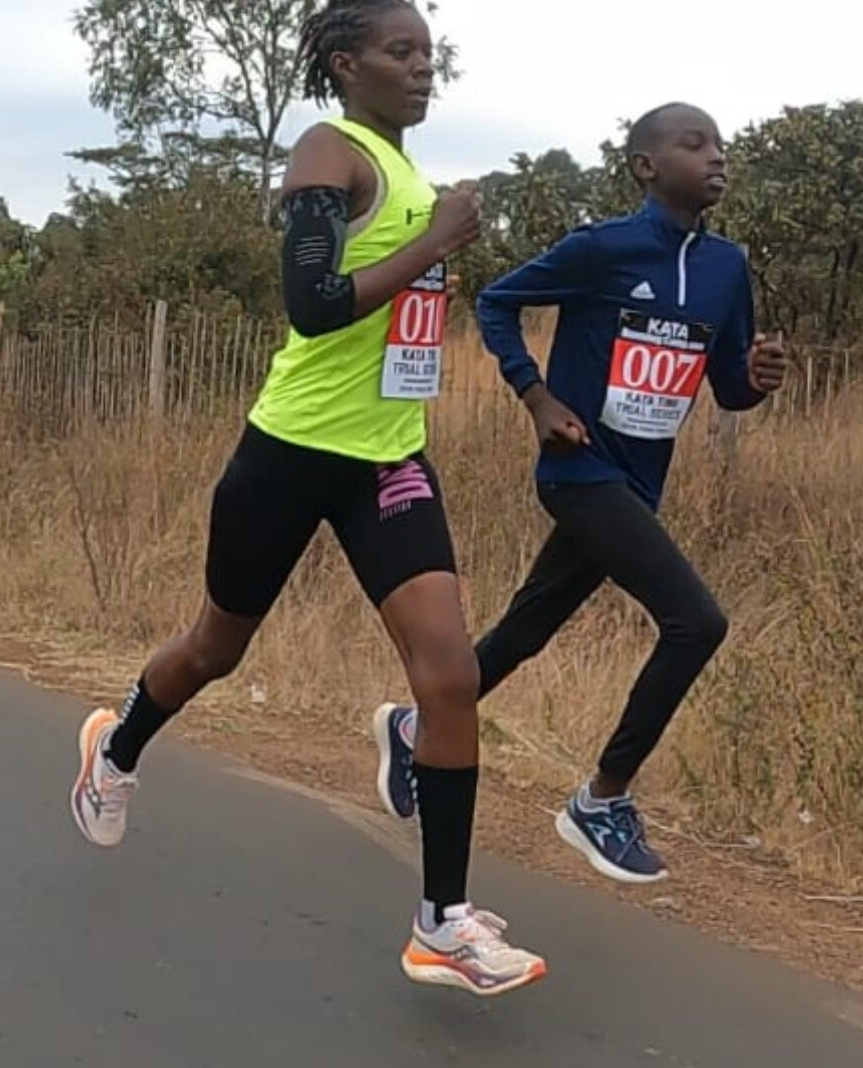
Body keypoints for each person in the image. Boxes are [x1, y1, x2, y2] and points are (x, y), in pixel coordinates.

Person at [70, 0, 547, 997]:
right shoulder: (329, 152)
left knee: (450, 676)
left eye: (429, 52)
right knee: (216, 648)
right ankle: (115, 748)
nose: (423, 67)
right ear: (344, 65)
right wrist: (437, 241)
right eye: (400, 51)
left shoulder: (410, 174)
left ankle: (442, 924)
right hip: (288, 454)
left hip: (389, 460)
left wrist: (434, 246)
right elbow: (314, 304)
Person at [370, 102, 788, 884]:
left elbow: (729, 389)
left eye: (721, 144)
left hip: (639, 484)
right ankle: (602, 799)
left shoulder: (727, 268)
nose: (717, 156)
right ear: (646, 166)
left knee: (528, 627)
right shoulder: (603, 247)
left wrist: (757, 379)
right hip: (579, 473)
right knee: (696, 621)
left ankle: (414, 726)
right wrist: (535, 397)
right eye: (695, 143)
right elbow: (497, 303)